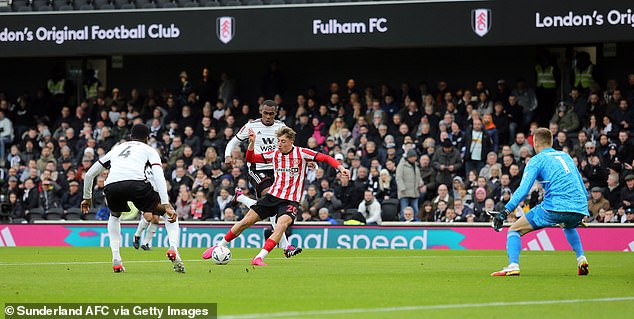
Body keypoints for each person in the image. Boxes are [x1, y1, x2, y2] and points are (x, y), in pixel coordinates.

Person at [203, 126, 349, 266]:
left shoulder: (302, 153)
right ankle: (218, 246)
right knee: (245, 222)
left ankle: (259, 258)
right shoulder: (275, 154)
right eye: (278, 141)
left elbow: (326, 158)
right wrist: (252, 143)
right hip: (272, 196)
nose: (279, 144)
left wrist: (341, 169)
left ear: (291, 141)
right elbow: (251, 158)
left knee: (281, 226)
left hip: (290, 200)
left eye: (283, 141)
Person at [81, 124, 184, 273]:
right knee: (167, 214)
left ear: (131, 136)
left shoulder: (117, 149)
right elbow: (159, 176)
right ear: (147, 137)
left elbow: (90, 174)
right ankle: (173, 249)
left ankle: (116, 259)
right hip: (137, 185)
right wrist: (166, 203)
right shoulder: (149, 150)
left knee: (114, 216)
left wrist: (87, 198)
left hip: (112, 186)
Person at [487, 128, 589, 276]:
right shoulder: (566, 157)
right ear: (551, 141)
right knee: (567, 225)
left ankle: (513, 265)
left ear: (535, 143)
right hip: (579, 207)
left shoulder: (537, 160)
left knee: (514, 230)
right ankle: (581, 259)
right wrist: (579, 212)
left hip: (554, 207)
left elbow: (523, 190)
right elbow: (582, 188)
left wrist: (505, 212)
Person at [223, 99, 302, 258]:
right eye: (265, 113)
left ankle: (242, 198)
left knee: (273, 204)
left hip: (277, 169)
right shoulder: (252, 126)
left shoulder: (281, 127)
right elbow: (234, 141)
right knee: (269, 195)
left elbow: (293, 149)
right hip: (257, 168)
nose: (268, 116)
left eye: (271, 114)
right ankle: (286, 246)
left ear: (276, 113)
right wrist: (227, 155)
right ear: (261, 111)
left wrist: (309, 162)